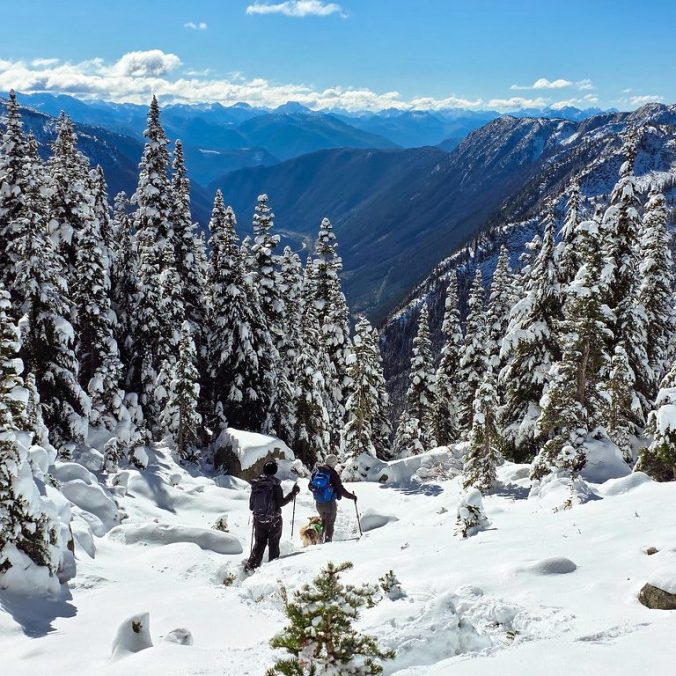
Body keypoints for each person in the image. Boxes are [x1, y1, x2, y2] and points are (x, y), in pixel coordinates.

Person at [245, 460, 300, 571]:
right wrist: (293, 493)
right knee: (273, 544)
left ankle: (250, 568)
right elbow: (281, 503)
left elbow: (251, 506)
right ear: (275, 471)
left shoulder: (257, 484)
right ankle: (271, 570)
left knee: (259, 544)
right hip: (273, 520)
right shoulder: (275, 485)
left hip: (258, 519)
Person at [309, 454, 356, 543]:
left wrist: (320, 492)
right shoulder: (333, 474)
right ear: (333, 463)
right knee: (329, 525)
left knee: (323, 522)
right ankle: (327, 543)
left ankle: (319, 541)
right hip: (330, 504)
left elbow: (310, 486)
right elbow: (340, 489)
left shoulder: (316, 472)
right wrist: (352, 497)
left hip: (318, 504)